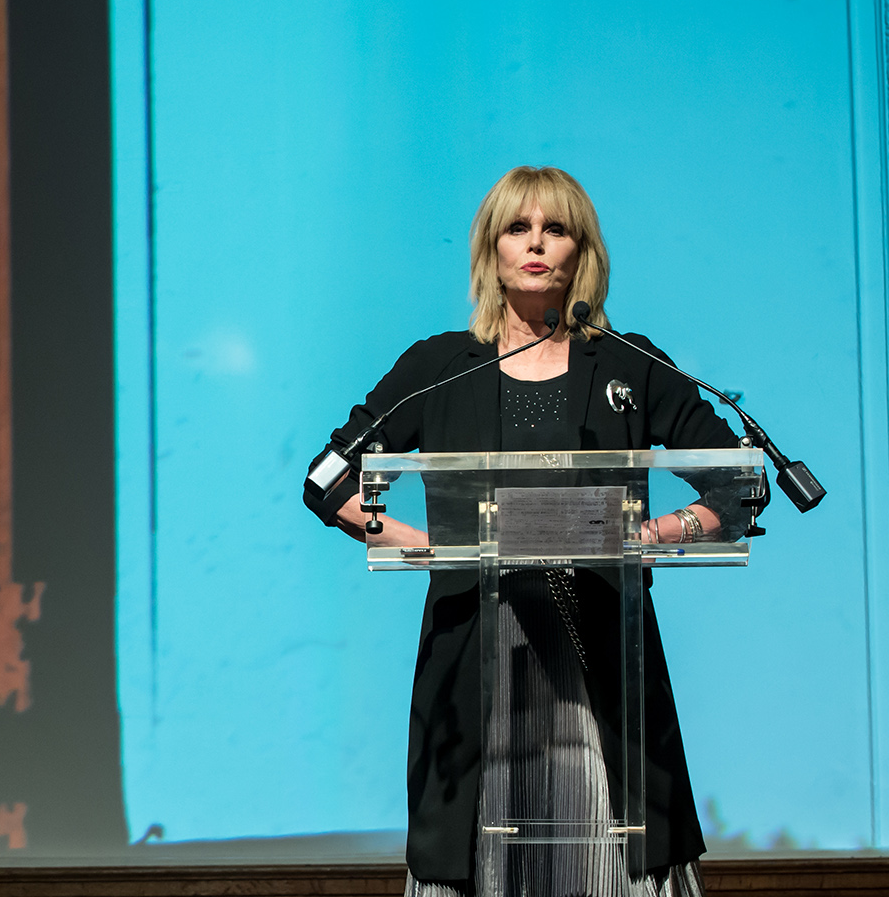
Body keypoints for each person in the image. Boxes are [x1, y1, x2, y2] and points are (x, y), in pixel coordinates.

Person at [303, 166, 740, 897]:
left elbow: (737, 485)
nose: (537, 244)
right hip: (477, 657)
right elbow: (325, 479)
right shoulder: (439, 365)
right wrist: (422, 545)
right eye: (518, 228)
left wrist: (655, 531)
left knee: (614, 856)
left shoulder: (629, 362)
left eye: (556, 229)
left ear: (582, 252)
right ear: (491, 250)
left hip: (604, 659)